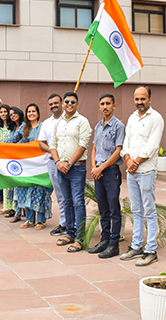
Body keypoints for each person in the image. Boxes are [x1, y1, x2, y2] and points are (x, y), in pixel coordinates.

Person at [120, 86, 165, 267]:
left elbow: (153, 145)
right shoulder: (132, 118)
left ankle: (151, 251)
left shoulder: (156, 118)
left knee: (149, 211)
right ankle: (137, 246)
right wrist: (128, 159)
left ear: (150, 99)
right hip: (132, 171)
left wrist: (135, 162)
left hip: (146, 171)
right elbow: (126, 142)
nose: (139, 102)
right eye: (137, 99)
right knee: (136, 211)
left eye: (143, 99)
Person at [49, 91, 92, 253]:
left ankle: (80, 239)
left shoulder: (82, 121)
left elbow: (83, 145)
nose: (69, 104)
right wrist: (58, 162)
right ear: (62, 104)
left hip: (77, 168)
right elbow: (52, 144)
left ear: (77, 104)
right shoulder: (58, 123)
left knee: (78, 202)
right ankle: (70, 234)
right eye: (66, 101)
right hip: (61, 168)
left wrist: (69, 163)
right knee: (66, 201)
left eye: (73, 102)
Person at [88, 94, 125, 259]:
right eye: (102, 104)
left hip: (110, 172)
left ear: (114, 106)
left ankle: (114, 244)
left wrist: (101, 167)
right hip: (99, 173)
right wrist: (94, 167)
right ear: (99, 107)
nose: (105, 106)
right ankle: (104, 240)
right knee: (102, 209)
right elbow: (94, 149)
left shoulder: (119, 126)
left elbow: (118, 152)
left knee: (113, 209)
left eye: (108, 103)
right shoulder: (97, 126)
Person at [15, 103, 52, 230]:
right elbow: (13, 142)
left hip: (41, 166)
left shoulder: (43, 126)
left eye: (33, 111)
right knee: (26, 191)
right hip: (27, 166)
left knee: (40, 192)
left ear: (38, 113)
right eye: (29, 111)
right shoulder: (23, 128)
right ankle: (30, 220)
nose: (31, 113)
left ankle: (41, 221)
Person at [38, 93, 66, 237]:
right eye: (51, 104)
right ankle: (64, 223)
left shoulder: (69, 119)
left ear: (61, 103)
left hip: (68, 162)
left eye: (56, 103)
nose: (54, 106)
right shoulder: (47, 123)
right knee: (60, 194)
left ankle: (74, 223)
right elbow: (41, 143)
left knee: (71, 195)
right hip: (52, 163)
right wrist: (54, 151)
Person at [1, 107, 25, 222]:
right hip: (13, 160)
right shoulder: (12, 127)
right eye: (11, 114)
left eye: (14, 113)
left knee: (20, 187)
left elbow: (14, 140)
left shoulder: (24, 126)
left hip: (22, 160)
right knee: (14, 187)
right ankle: (17, 212)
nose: (13, 115)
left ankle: (21, 212)